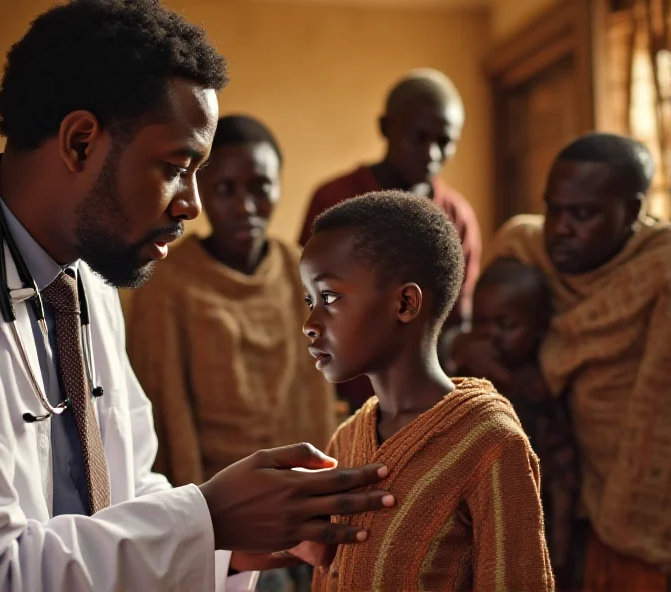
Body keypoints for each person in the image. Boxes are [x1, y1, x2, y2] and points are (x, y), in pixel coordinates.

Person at [0, 2, 396, 590]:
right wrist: (208, 520)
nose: (190, 205)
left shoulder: (88, 281)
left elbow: (126, 494)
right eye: (176, 166)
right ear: (79, 143)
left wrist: (231, 544)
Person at [300, 191, 553, 591]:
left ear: (405, 303)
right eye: (309, 300)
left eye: (329, 297)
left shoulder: (490, 443)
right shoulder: (345, 441)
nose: (310, 322)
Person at [467, 132, 671, 591]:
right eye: (553, 208)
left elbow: (658, 413)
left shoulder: (660, 269)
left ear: (633, 212)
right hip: (543, 479)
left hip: (631, 497)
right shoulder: (524, 247)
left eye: (583, 214)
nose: (560, 226)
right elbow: (473, 347)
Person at [127, 115, 336, 489]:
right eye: (225, 189)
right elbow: (166, 411)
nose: (245, 207)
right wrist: (198, 514)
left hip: (303, 484)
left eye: (260, 187)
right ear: (200, 190)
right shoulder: (168, 283)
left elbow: (315, 395)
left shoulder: (300, 269)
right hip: (217, 493)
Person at [298, 69, 481, 412]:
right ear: (386, 128)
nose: (431, 154)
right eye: (418, 137)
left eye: (444, 141)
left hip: (422, 402)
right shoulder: (335, 199)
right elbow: (311, 300)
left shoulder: (457, 217)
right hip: (344, 397)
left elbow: (456, 320)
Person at [461, 258, 578, 584]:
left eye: (506, 324)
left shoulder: (541, 391)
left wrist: (561, 552)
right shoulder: (464, 375)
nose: (490, 336)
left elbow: (561, 479)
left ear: (539, 329)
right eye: (480, 323)